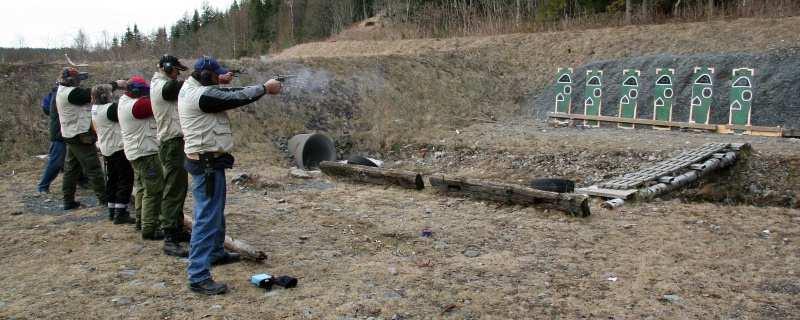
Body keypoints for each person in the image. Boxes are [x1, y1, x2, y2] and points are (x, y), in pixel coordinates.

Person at [178, 56, 282, 295]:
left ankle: (216, 252)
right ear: (206, 76)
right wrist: (265, 88)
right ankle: (198, 276)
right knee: (206, 219)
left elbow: (230, 91)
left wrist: (259, 88)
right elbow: (234, 97)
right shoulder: (200, 96)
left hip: (208, 162)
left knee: (214, 213)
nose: (218, 79)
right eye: (215, 76)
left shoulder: (194, 88)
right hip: (207, 164)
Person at [118, 76, 188, 257]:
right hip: (145, 152)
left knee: (142, 188)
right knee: (154, 189)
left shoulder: (124, 101)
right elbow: (157, 104)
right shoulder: (137, 106)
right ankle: (149, 228)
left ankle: (142, 222)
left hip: (136, 151)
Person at [56, 67, 125, 210]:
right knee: (94, 168)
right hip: (79, 134)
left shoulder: (63, 91)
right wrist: (115, 84)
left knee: (71, 169)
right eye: (77, 80)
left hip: (70, 133)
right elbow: (93, 94)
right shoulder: (71, 93)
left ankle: (68, 201)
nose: (79, 83)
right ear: (71, 81)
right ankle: (104, 199)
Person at [150, 55, 191, 246]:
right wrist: (200, 78)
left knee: (178, 187)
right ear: (167, 68)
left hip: (174, 141)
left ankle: (176, 226)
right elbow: (175, 88)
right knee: (173, 188)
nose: (177, 75)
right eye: (175, 70)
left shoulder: (161, 83)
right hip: (172, 142)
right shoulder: (162, 86)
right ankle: (170, 234)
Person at [90, 84, 136, 224]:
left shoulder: (95, 109)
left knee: (112, 179)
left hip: (106, 148)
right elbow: (126, 115)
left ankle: (112, 210)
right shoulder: (110, 109)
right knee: (125, 179)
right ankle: (120, 212)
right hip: (117, 147)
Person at [37, 84, 87, 193]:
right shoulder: (60, 96)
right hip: (60, 134)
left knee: (76, 158)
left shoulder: (56, 94)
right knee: (56, 162)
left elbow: (46, 110)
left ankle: (82, 180)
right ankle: (43, 186)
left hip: (64, 131)